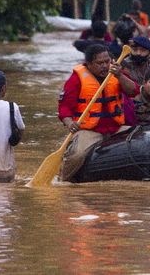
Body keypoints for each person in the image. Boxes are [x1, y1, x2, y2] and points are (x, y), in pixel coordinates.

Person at [58, 44, 138, 181]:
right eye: (100, 63)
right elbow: (64, 107)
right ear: (89, 64)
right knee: (77, 154)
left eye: (107, 62)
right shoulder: (76, 79)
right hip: (90, 130)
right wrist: (69, 122)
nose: (105, 66)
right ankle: (63, 180)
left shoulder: (117, 73)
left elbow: (133, 91)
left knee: (140, 139)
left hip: (116, 128)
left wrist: (119, 76)